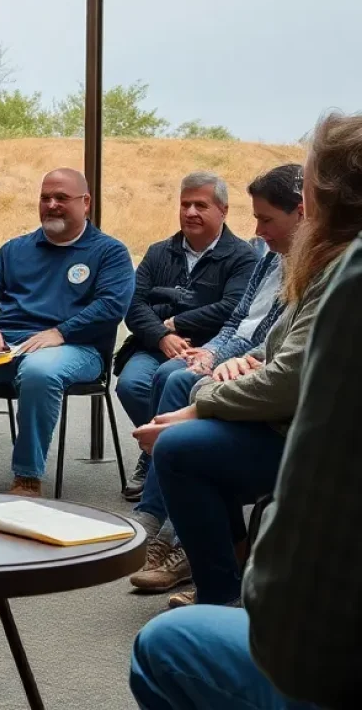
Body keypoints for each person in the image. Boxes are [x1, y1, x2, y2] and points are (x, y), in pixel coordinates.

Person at [130, 114, 362, 710]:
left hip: (322, 659)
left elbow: (290, 386)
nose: (264, 231)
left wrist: (204, 402)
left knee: (162, 646)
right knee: (174, 389)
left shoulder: (347, 276)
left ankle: (216, 590)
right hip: (241, 386)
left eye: (299, 200)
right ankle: (199, 564)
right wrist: (237, 361)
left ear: (320, 205)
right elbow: (268, 339)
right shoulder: (313, 265)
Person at [128, 164, 304, 593]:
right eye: (184, 203)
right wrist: (202, 350)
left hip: (295, 423)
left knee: (179, 396)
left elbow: (266, 341)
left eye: (265, 219)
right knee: (146, 383)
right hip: (217, 353)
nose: (257, 229)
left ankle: (167, 531)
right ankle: (177, 531)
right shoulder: (266, 259)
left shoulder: (303, 268)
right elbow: (241, 321)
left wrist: (211, 372)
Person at [0, 168, 135, 496]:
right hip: (6, 344)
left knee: (39, 371)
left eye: (61, 198)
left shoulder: (109, 252)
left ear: (86, 203)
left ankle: (27, 477)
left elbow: (111, 307)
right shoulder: (15, 249)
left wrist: (61, 332)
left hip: (76, 347)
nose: (51, 204)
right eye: (45, 197)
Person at [115, 171, 259, 499]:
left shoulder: (242, 257)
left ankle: (161, 459)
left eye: (200, 205)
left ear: (223, 210)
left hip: (208, 348)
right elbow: (134, 305)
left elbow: (232, 307)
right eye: (185, 204)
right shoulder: (158, 252)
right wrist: (161, 337)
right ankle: (159, 450)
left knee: (169, 380)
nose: (190, 212)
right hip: (154, 345)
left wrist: (177, 323)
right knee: (131, 385)